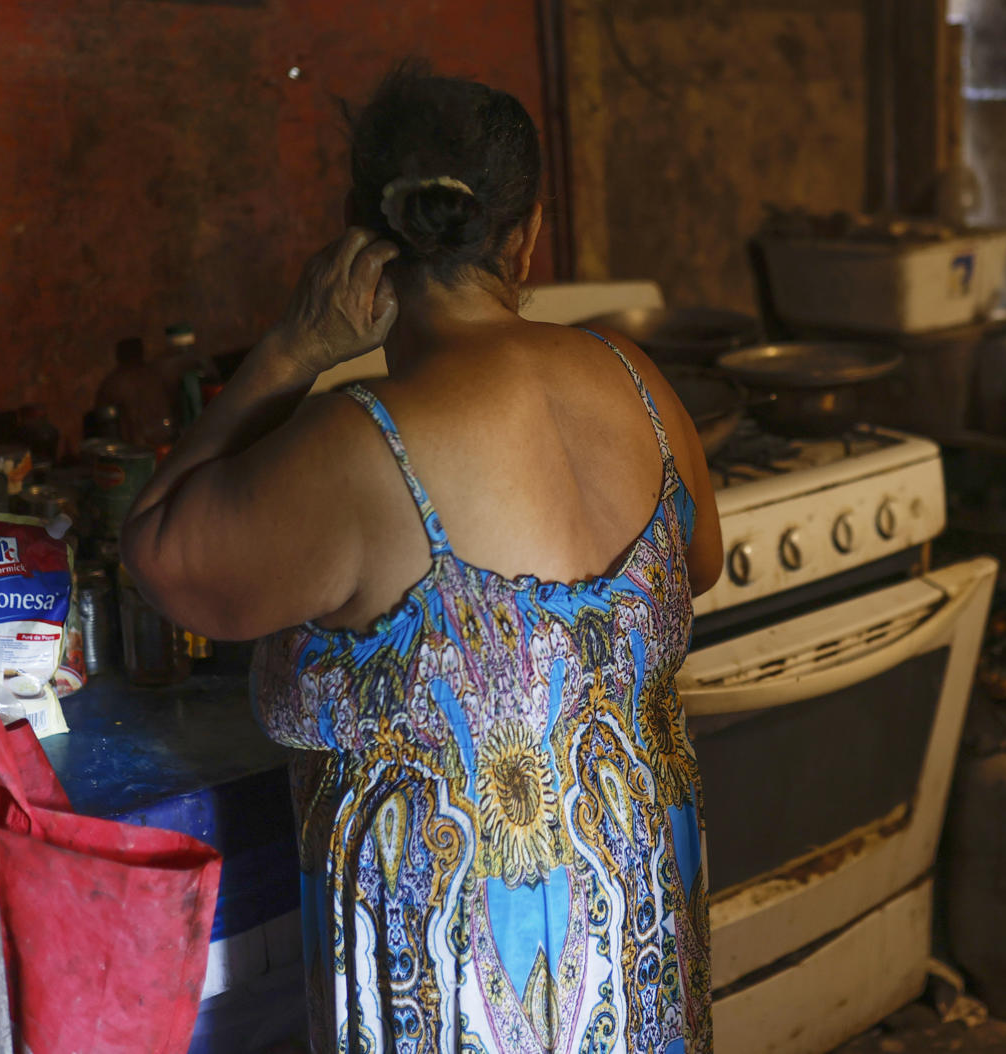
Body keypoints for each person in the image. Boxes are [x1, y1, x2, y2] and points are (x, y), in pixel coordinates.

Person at [121, 60, 723, 1054]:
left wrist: (290, 351)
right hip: (641, 951)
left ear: (365, 242)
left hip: (451, 995)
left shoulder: (357, 446)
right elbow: (695, 563)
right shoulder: (638, 381)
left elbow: (160, 551)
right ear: (527, 234)